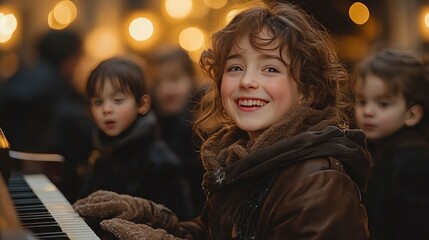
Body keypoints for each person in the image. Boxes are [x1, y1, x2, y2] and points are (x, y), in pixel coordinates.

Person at [73, 1, 372, 239]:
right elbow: (210, 232)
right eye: (235, 68)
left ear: (307, 91)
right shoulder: (241, 158)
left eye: (270, 69)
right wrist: (149, 216)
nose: (247, 81)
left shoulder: (319, 186)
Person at [77, 57, 192, 220]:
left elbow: (178, 222)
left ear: (142, 104)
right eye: (98, 102)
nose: (107, 109)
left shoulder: (160, 161)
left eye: (118, 100)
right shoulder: (97, 149)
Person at [0, 29, 93, 201]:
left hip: (10, 182)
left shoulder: (13, 81)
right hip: (51, 184)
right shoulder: (60, 96)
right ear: (69, 61)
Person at [354, 48, 429, 240]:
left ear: (411, 115)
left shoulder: (411, 160)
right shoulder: (378, 149)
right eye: (362, 101)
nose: (368, 111)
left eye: (383, 104)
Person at [146, 46, 205, 217]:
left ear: (190, 79)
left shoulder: (205, 126)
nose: (166, 90)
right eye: (157, 82)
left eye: (174, 79)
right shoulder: (149, 126)